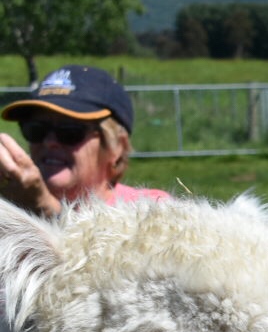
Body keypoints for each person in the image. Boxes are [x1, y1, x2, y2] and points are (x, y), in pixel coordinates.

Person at [0, 65, 171, 218]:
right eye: (36, 130)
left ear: (117, 146)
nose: (49, 142)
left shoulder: (150, 210)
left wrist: (44, 208)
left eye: (70, 132)